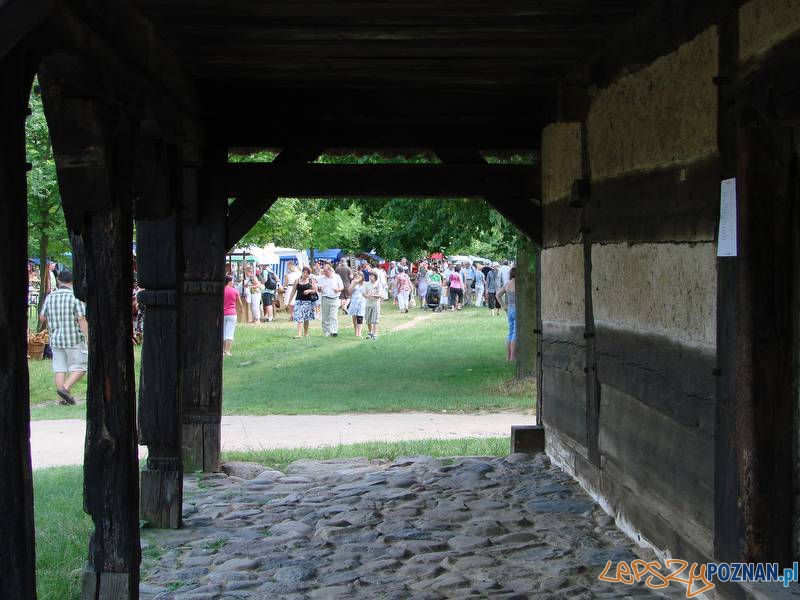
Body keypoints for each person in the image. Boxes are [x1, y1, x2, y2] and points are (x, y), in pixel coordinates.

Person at [39, 270, 88, 405]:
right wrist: (88, 337)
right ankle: (65, 389)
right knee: (81, 366)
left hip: (55, 338)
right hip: (74, 338)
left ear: (59, 280)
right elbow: (81, 318)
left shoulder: (50, 297)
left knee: (60, 368)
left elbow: (42, 317)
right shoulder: (75, 297)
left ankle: (62, 400)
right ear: (72, 282)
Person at [287, 266, 318, 338]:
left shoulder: (311, 281)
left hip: (308, 301)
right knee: (299, 316)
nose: (305, 274)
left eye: (307, 273)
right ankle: (299, 334)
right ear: (302, 272)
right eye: (304, 273)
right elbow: (293, 292)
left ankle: (306, 333)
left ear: (309, 274)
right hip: (298, 301)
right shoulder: (297, 280)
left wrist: (309, 291)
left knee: (306, 318)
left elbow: (315, 290)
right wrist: (289, 301)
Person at [316, 263, 344, 336]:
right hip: (325, 298)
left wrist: (337, 290)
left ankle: (334, 331)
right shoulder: (321, 278)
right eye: (324, 271)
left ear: (330, 270)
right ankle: (326, 332)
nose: (324, 273)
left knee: (333, 316)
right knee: (325, 316)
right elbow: (318, 289)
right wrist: (320, 289)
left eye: (326, 271)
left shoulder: (336, 277)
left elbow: (342, 287)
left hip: (335, 298)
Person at [496, 267, 517, 362]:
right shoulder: (519, 284)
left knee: (510, 332)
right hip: (517, 309)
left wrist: (504, 306)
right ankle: (513, 357)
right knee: (516, 333)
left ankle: (507, 357)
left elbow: (498, 295)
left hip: (510, 309)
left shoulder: (507, 284)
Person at [223, 275, 243, 356]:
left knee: (222, 332)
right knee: (230, 332)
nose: (233, 282)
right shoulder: (234, 291)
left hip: (223, 313)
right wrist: (241, 310)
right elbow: (240, 304)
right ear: (229, 282)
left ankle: (222, 351)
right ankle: (227, 351)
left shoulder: (221, 290)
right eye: (232, 281)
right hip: (232, 313)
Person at [364, 270, 384, 339]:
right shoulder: (366, 284)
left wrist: (374, 295)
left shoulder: (379, 284)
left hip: (376, 304)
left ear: (375, 277)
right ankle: (370, 333)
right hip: (368, 304)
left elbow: (380, 294)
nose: (370, 277)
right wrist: (367, 296)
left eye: (371, 276)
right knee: (368, 319)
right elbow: (363, 293)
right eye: (370, 276)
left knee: (375, 320)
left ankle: (375, 334)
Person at [347, 272, 366, 337]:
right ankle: (356, 331)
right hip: (354, 301)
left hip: (362, 301)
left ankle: (359, 333)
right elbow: (349, 292)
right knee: (354, 316)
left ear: (362, 276)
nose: (358, 277)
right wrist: (353, 285)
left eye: (359, 276)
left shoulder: (364, 283)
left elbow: (366, 293)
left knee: (360, 316)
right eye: (356, 276)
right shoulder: (353, 282)